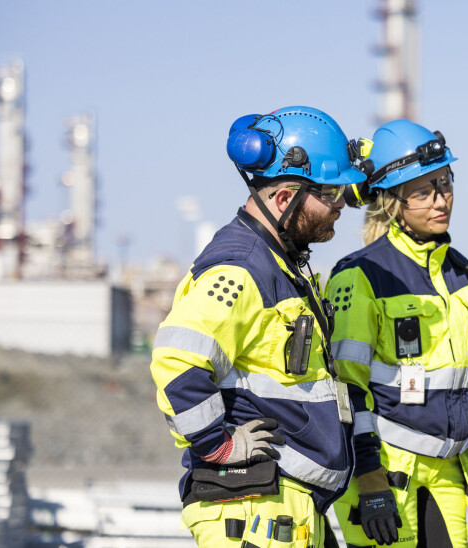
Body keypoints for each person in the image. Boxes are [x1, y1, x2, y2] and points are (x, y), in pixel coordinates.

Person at [150, 106, 370, 547]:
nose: (341, 206)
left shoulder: (279, 264)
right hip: (253, 509)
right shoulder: (242, 269)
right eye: (329, 195)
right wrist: (218, 446)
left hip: (280, 504)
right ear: (286, 199)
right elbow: (176, 359)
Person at [328, 120, 468, 547]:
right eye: (422, 192)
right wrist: (370, 477)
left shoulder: (459, 272)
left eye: (444, 183)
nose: (440, 200)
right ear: (391, 202)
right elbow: (346, 388)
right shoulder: (358, 276)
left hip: (449, 470)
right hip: (385, 471)